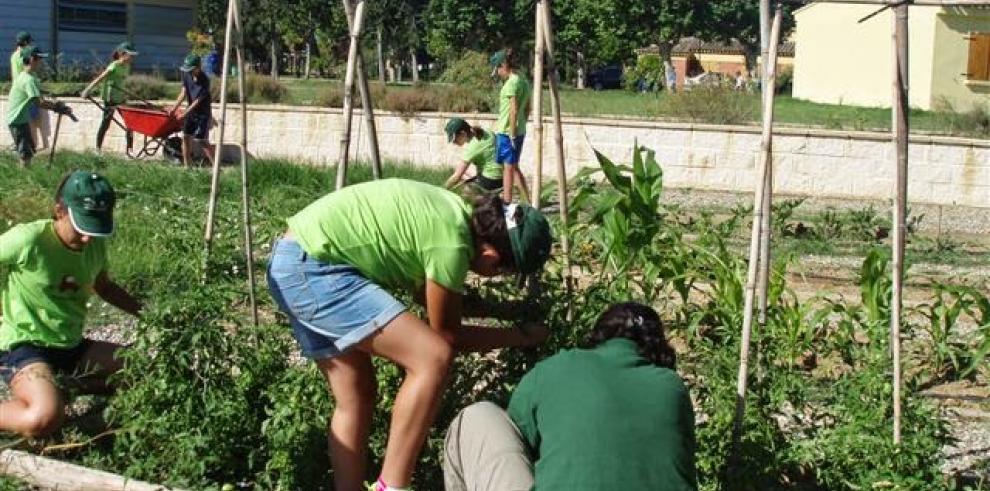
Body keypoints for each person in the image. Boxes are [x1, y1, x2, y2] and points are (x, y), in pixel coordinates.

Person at [267, 178, 553, 491]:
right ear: (491, 257)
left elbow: (428, 299)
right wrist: (522, 337)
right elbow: (449, 336)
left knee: (356, 393)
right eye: (503, 272)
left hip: (293, 261)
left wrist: (503, 311)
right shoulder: (451, 243)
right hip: (316, 269)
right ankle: (392, 487)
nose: (497, 276)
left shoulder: (452, 212)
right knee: (432, 357)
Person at [443, 302, 698, 491]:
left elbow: (517, 437)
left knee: (479, 417)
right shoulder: (672, 387)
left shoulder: (558, 366)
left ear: (597, 337)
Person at [0, 171, 142, 438]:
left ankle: (60, 388)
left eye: (95, 228)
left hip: (71, 345)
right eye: (82, 228)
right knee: (43, 418)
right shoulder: (30, 240)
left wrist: (149, 315)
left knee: (142, 372)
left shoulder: (94, 246)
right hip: (25, 347)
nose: (88, 239)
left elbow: (105, 287)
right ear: (59, 211)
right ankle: (46, 401)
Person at [6, 46, 70, 167]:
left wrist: (55, 99)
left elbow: (39, 93)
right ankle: (24, 180)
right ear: (31, 59)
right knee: (25, 153)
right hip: (17, 120)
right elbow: (38, 102)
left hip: (21, 119)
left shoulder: (29, 76)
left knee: (28, 150)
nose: (40, 62)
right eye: (38, 59)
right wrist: (56, 107)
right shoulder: (28, 80)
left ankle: (26, 175)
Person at [490, 49, 531, 204]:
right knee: (514, 167)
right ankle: (528, 201)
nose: (498, 73)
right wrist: (521, 125)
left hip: (508, 133)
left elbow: (513, 110)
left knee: (508, 169)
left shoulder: (511, 84)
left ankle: (507, 203)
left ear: (503, 65)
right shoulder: (524, 81)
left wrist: (512, 133)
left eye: (497, 69)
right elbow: (527, 108)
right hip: (518, 130)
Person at [81, 42, 138, 153]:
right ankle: (98, 149)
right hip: (110, 99)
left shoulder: (127, 67)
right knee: (106, 123)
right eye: (131, 55)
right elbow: (100, 78)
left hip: (120, 98)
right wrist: (87, 90)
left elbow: (121, 82)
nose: (132, 58)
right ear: (123, 54)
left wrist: (125, 95)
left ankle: (130, 150)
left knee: (129, 123)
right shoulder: (114, 65)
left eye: (133, 56)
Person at [169, 54, 215, 167]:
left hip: (202, 113)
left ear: (198, 67)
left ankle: (216, 166)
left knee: (201, 140)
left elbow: (197, 101)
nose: (188, 71)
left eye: (191, 69)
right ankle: (187, 165)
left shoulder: (205, 80)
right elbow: (183, 93)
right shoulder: (186, 75)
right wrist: (173, 108)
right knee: (185, 137)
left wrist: (184, 114)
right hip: (191, 112)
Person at [443, 117, 503, 194]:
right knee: (463, 172)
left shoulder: (472, 147)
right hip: (501, 175)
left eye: (454, 139)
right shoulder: (487, 132)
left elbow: (456, 177)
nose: (454, 142)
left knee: (463, 190)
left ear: (463, 133)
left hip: (491, 181)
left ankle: (483, 195)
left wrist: (442, 190)